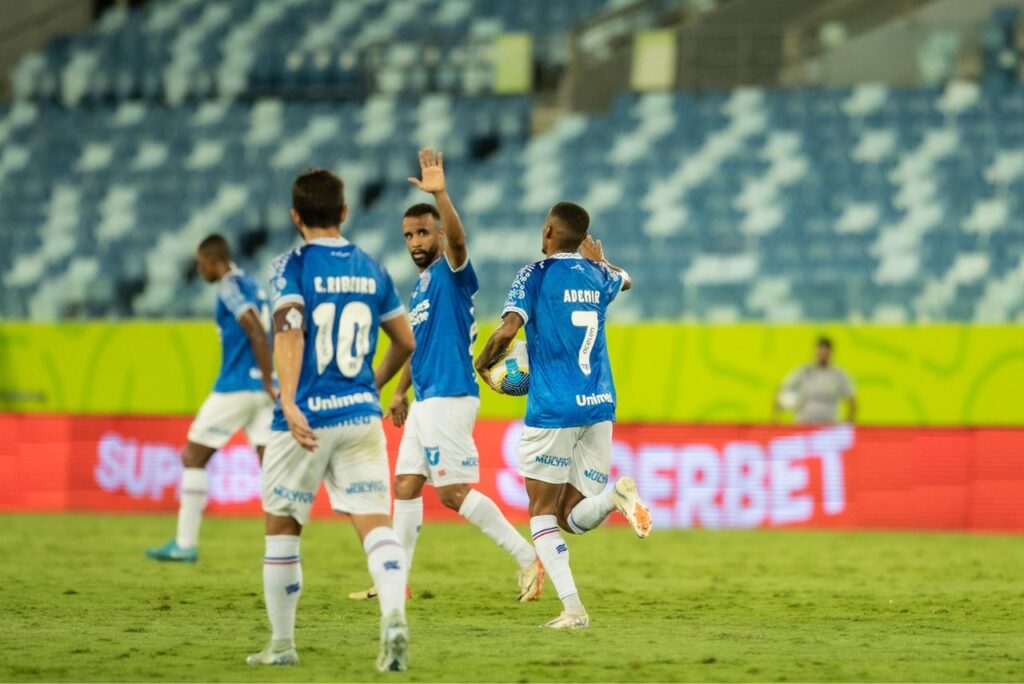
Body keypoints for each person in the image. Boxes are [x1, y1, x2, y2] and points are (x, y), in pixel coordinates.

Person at [349, 149, 543, 604]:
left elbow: (458, 241)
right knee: (407, 485)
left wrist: (440, 194)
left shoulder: (451, 272)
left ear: (437, 233)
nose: (415, 240)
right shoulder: (419, 288)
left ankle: (527, 557)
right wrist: (399, 393)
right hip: (425, 398)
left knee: (453, 493)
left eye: (423, 231)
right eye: (408, 235)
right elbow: (417, 347)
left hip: (451, 396)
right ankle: (394, 578)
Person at [246, 169, 416, 671]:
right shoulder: (372, 267)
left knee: (282, 529)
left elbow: (290, 331)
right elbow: (405, 341)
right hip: (361, 416)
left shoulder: (289, 267)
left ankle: (281, 644)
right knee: (376, 527)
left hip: (306, 420)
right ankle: (393, 616)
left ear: (295, 216)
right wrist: (371, 385)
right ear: (344, 212)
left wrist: (292, 401)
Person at [474, 201, 651, 630]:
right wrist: (602, 262)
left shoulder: (533, 275)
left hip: (553, 409)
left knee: (541, 514)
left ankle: (573, 610)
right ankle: (616, 497)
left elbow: (507, 330)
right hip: (599, 405)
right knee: (572, 517)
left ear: (550, 231)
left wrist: (481, 365)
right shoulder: (598, 274)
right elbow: (626, 280)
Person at [146, 234, 275, 563]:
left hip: (237, 387)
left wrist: (266, 379)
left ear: (213, 260)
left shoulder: (230, 286)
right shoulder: (254, 284)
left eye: (201, 264)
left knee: (193, 456)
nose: (200, 270)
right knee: (272, 469)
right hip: (261, 389)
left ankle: (185, 544)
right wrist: (272, 380)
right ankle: (282, 549)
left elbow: (256, 332)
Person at [773, 336, 856, 425]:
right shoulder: (803, 371)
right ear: (815, 351)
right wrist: (775, 418)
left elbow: (851, 399)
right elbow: (782, 388)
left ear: (831, 352)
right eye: (820, 349)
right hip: (804, 424)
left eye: (826, 350)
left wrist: (849, 422)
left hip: (829, 427)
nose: (823, 353)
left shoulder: (839, 374)